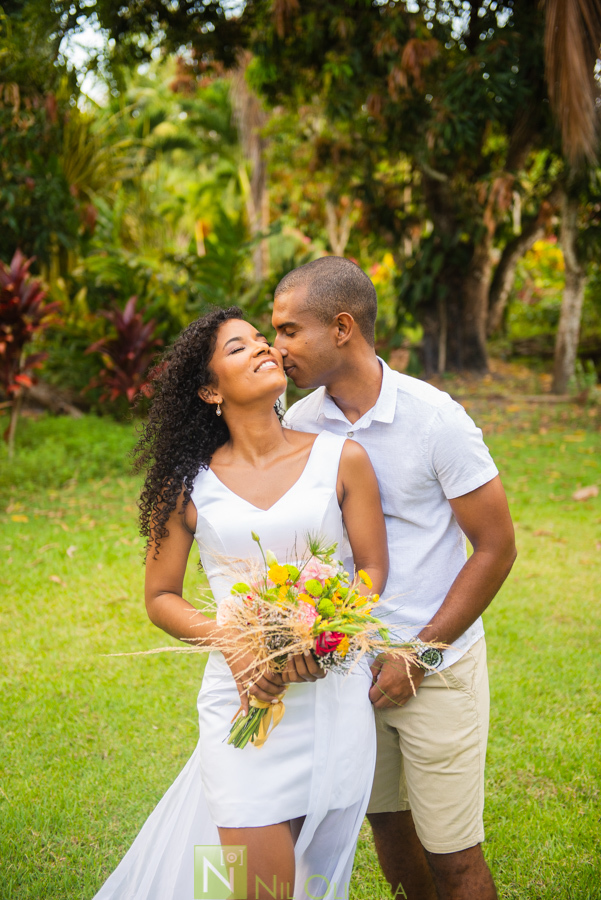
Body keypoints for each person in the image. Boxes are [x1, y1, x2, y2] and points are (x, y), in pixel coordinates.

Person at [91, 306, 389, 900]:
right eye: (238, 348)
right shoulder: (186, 488)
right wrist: (233, 642)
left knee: (313, 881)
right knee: (263, 890)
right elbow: (160, 597)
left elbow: (372, 569)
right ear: (208, 390)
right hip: (242, 699)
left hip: (332, 694)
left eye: (262, 340)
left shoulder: (341, 459)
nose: (262, 348)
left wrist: (326, 632)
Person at [272, 257, 517, 900]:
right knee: (390, 833)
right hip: (349, 673)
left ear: (343, 327)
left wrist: (422, 652)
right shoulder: (299, 426)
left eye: (291, 331)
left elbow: (495, 547)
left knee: (454, 859)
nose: (279, 348)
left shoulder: (437, 420)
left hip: (437, 664)